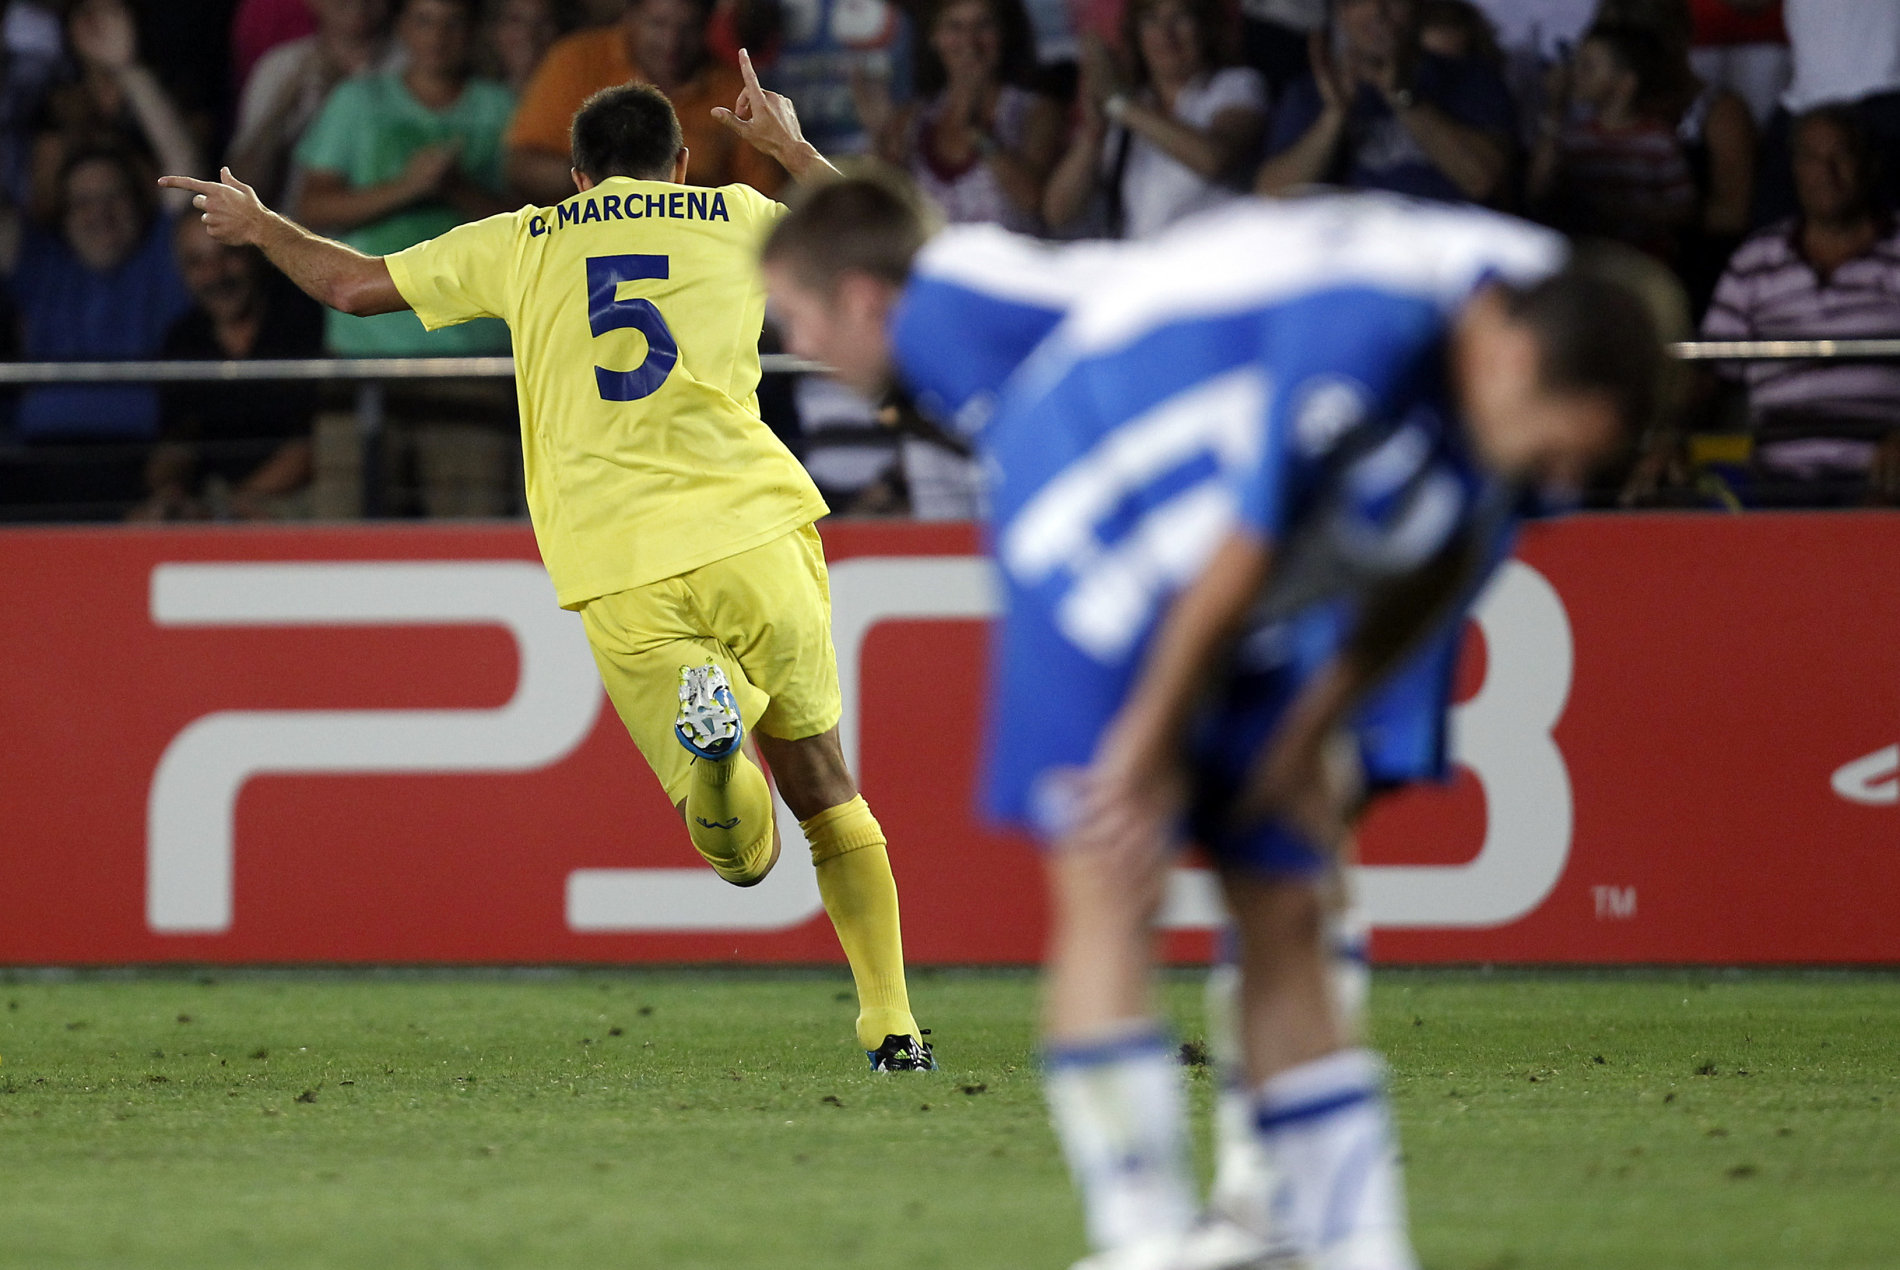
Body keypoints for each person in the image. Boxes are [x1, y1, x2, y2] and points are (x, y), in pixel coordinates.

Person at [758, 178, 1672, 1267]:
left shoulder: (1479, 365)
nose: (800, 346)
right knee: (1144, 868)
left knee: (1272, 869)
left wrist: (1284, 733)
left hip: (1249, 538)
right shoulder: (1405, 328)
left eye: (799, 319)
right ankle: (1172, 1228)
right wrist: (1152, 749)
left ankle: (1297, 1221)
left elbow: (1364, 557)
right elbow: (1242, 520)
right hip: (1133, 521)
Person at [162, 64, 934, 1071]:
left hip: (619, 560)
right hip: (755, 532)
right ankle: (893, 1028)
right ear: (679, 162)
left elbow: (353, 287)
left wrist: (264, 224)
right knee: (827, 790)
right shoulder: (737, 214)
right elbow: (882, 248)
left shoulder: (524, 240)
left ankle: (712, 753)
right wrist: (788, 149)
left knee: (741, 857)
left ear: (574, 178)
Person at [291, 0, 518, 517]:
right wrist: (407, 188)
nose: (438, 36)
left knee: (473, 537)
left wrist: (456, 189)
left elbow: (538, 221)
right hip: (363, 349)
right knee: (346, 534)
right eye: (424, 20)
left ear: (472, 31)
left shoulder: (501, 106)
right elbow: (313, 206)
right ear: (402, 29)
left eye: (453, 21)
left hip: (473, 354)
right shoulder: (358, 101)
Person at [1686, 107, 1900, 505]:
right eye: (1812, 158)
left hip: (1882, 476)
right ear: (1794, 169)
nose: (1827, 172)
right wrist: (1666, 435)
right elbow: (1708, 371)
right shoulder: (1755, 260)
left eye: (1842, 156)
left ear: (1870, 165)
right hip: (1773, 475)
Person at [1, 146, 192, 518]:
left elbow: (184, 175)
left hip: (136, 465)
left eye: (114, 197)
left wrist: (134, 84)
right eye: (83, 202)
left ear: (138, 203)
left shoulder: (160, 260)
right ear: (65, 214)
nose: (100, 214)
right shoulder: (43, 264)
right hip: (34, 463)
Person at [132, 215, 326, 522]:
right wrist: (169, 490)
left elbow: (315, 446)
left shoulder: (303, 320)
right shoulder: (184, 337)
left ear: (254, 254)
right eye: (197, 263)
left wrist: (231, 505)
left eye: (228, 255)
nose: (215, 275)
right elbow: (176, 439)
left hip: (299, 497)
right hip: (217, 499)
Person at [503, 0, 786, 205]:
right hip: (583, 240)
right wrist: (620, 185)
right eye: (658, 23)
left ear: (707, 25)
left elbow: (766, 199)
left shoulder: (732, 86)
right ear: (629, 15)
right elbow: (522, 166)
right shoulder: (575, 61)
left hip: (694, 248)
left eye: (687, 28)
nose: (671, 41)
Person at [1043, 0, 1268, 239]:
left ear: (1205, 27)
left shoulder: (1235, 86)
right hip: (1143, 268)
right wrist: (1094, 133)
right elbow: (1058, 212)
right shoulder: (1130, 106)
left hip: (1215, 265)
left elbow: (1213, 158)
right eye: (1150, 20)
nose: (1165, 35)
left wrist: (1120, 104)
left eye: (1180, 18)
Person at [1256, 0, 1514, 207]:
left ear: (1419, 7)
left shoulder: (1469, 78)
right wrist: (1334, 115)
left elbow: (1484, 181)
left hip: (1446, 252)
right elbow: (1272, 196)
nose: (1377, 11)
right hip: (1352, 252)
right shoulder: (1312, 92)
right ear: (1342, 14)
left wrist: (1403, 98)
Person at [859, 0, 1063, 235]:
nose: (969, 41)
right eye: (954, 27)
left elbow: (1033, 200)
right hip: (936, 269)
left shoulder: (1036, 110)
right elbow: (881, 211)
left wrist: (979, 135)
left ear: (1003, 33)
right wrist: (879, 135)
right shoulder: (912, 120)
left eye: (983, 25)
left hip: (1008, 269)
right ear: (934, 37)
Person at [226, 0, 399, 210]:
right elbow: (239, 184)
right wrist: (284, 110)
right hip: (292, 228)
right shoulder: (280, 66)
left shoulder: (418, 63)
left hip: (395, 223)